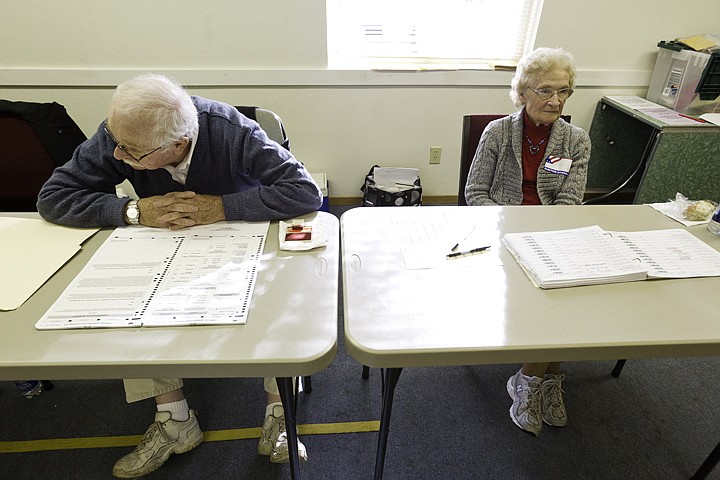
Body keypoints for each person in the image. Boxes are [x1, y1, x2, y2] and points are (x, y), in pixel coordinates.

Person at [37, 73, 323, 478]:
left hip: (239, 240)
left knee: (281, 295)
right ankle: (174, 419)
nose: (118, 155)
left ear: (178, 144)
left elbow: (305, 191)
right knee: (129, 299)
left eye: (132, 152)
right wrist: (133, 211)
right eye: (118, 143)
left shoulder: (233, 132)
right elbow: (53, 197)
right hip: (163, 240)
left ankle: (279, 409)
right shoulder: (123, 133)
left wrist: (222, 207)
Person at [464, 47, 591, 436]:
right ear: (522, 92)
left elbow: (571, 202)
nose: (555, 101)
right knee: (551, 298)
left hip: (553, 235)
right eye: (545, 90)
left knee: (568, 291)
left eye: (564, 91)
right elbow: (475, 192)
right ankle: (544, 377)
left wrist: (543, 240)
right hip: (500, 233)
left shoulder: (577, 141)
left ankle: (533, 377)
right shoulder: (497, 133)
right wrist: (509, 231)